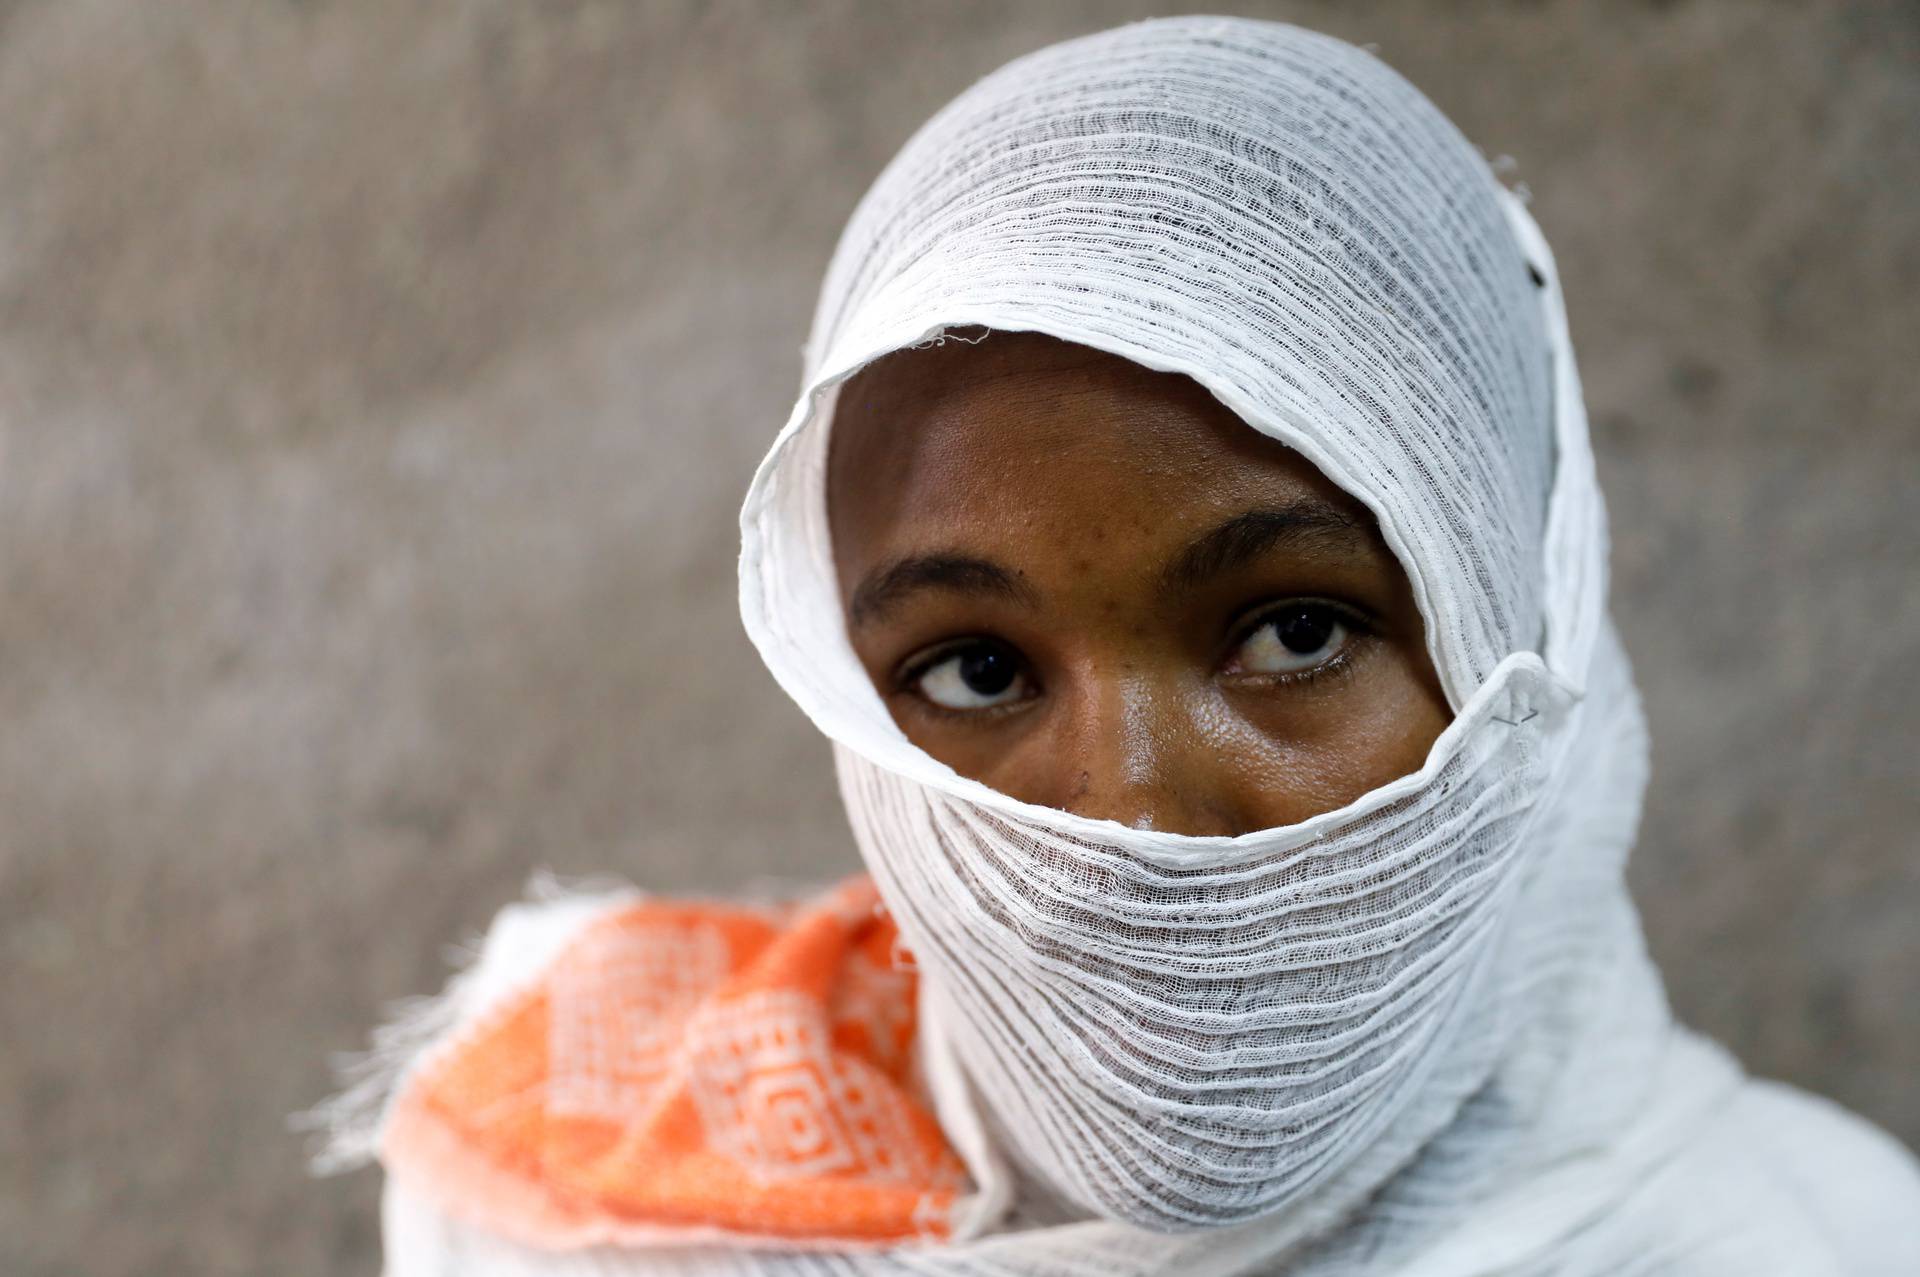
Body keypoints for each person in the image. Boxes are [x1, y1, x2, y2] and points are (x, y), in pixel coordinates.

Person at [308, 16, 1920, 1275]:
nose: (1130, 820)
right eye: (976, 670)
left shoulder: (1818, 1247)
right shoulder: (565, 1219)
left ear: (1536, 611)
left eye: (1295, 631)